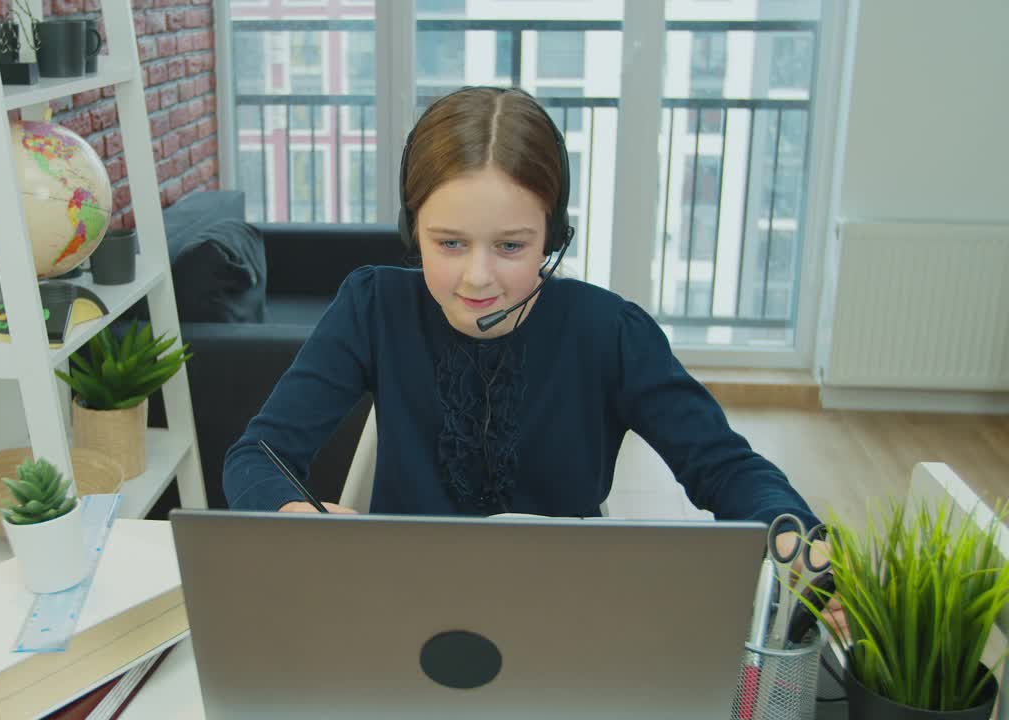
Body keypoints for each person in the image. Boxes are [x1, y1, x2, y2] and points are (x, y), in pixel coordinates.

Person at [223, 85, 819, 525]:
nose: (478, 278)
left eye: (511, 245)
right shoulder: (373, 306)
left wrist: (796, 535)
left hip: (563, 614)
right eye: (449, 243)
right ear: (412, 229)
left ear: (553, 237)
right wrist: (292, 512)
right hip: (404, 604)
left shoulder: (610, 332)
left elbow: (728, 469)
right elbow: (256, 456)